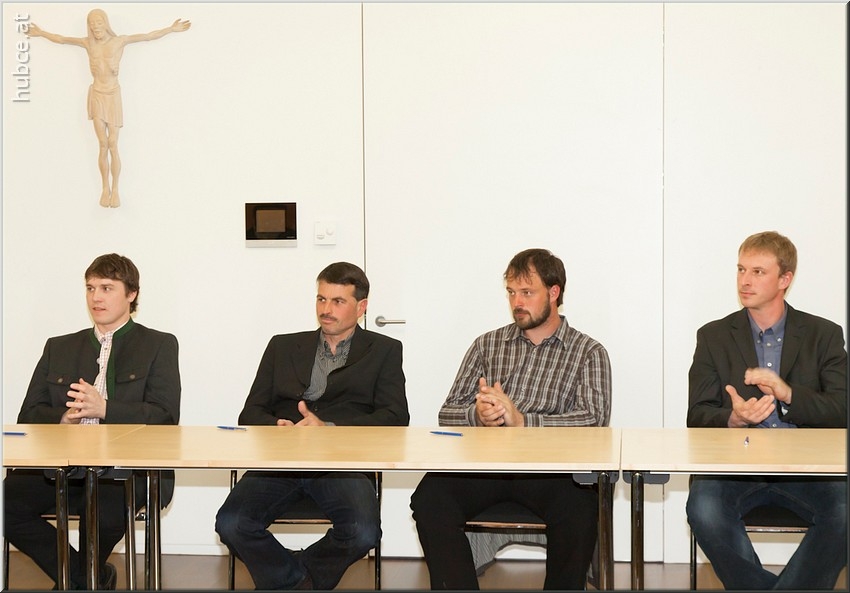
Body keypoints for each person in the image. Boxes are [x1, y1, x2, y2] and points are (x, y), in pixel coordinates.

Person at [410, 248, 612, 590]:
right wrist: (479, 415)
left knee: (580, 507)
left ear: (554, 292)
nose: (517, 302)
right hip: (486, 466)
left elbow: (594, 420)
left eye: (527, 292)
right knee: (430, 499)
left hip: (553, 471)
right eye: (511, 292)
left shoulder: (588, 352)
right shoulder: (487, 345)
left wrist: (523, 422)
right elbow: (448, 411)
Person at [215, 262, 409, 591]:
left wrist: (330, 428)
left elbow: (396, 416)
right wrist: (277, 426)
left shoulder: (384, 350)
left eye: (338, 301)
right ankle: (298, 581)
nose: (326, 309)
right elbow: (250, 413)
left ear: (361, 307)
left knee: (363, 532)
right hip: (281, 460)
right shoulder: (282, 346)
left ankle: (292, 578)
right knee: (231, 523)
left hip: (342, 463)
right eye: (321, 299)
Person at [3, 253, 181, 590]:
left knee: (102, 514)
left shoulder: (159, 344)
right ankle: (86, 579)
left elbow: (165, 415)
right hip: (61, 468)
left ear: (131, 294)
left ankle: (78, 581)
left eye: (106, 288)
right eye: (90, 288)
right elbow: (28, 416)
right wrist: (62, 418)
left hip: (124, 471)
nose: (96, 297)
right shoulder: (58, 347)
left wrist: (105, 409)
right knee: (6, 504)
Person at [686, 231, 848, 590]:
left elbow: (842, 409)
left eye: (758, 272)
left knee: (846, 511)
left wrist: (789, 394)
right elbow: (697, 414)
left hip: (809, 468)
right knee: (703, 509)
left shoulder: (823, 335)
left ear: (784, 279)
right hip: (736, 467)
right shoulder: (713, 336)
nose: (745, 280)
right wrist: (733, 418)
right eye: (741, 269)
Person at [26, 10, 191, 208]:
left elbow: (147, 36)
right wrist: (41, 33)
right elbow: (61, 39)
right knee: (102, 144)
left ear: (105, 23)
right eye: (91, 23)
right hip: (96, 94)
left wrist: (171, 29)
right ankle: (105, 188)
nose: (95, 27)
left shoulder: (119, 41)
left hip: (113, 95)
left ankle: (116, 190)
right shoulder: (88, 43)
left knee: (113, 143)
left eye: (98, 22)